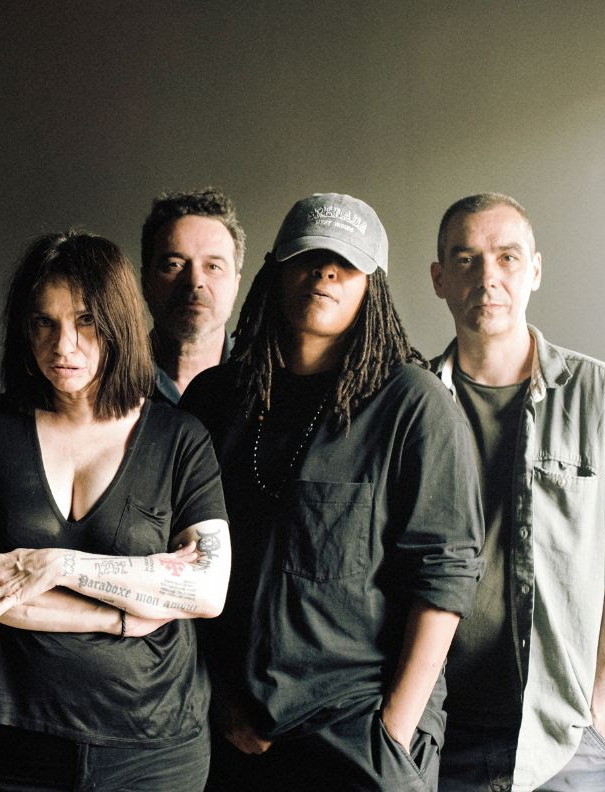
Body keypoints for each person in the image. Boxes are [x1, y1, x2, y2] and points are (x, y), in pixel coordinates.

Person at [181, 193, 483, 791]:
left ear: (373, 286)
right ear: (275, 271)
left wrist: (393, 733)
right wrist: (219, 700)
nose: (325, 272)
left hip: (359, 739)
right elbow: (178, 562)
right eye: (308, 257)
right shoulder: (216, 400)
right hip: (232, 734)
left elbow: (446, 577)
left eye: (345, 263)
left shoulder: (414, 404)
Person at [0, 231, 231, 791]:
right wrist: (118, 617)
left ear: (118, 322)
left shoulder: (180, 438)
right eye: (43, 323)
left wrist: (59, 565)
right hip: (12, 745)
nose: (62, 345)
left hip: (155, 747)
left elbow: (206, 589)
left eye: (86, 321)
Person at [429, 193, 605, 792]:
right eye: (466, 259)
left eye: (507, 257)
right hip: (440, 731)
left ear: (535, 270)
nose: (487, 277)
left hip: (566, 737)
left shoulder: (598, 396)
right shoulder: (411, 403)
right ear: (439, 278)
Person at [139, 188, 245, 402]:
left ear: (235, 286)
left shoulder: (267, 390)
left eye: (213, 266)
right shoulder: (102, 382)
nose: (194, 281)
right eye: (174, 265)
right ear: (145, 282)